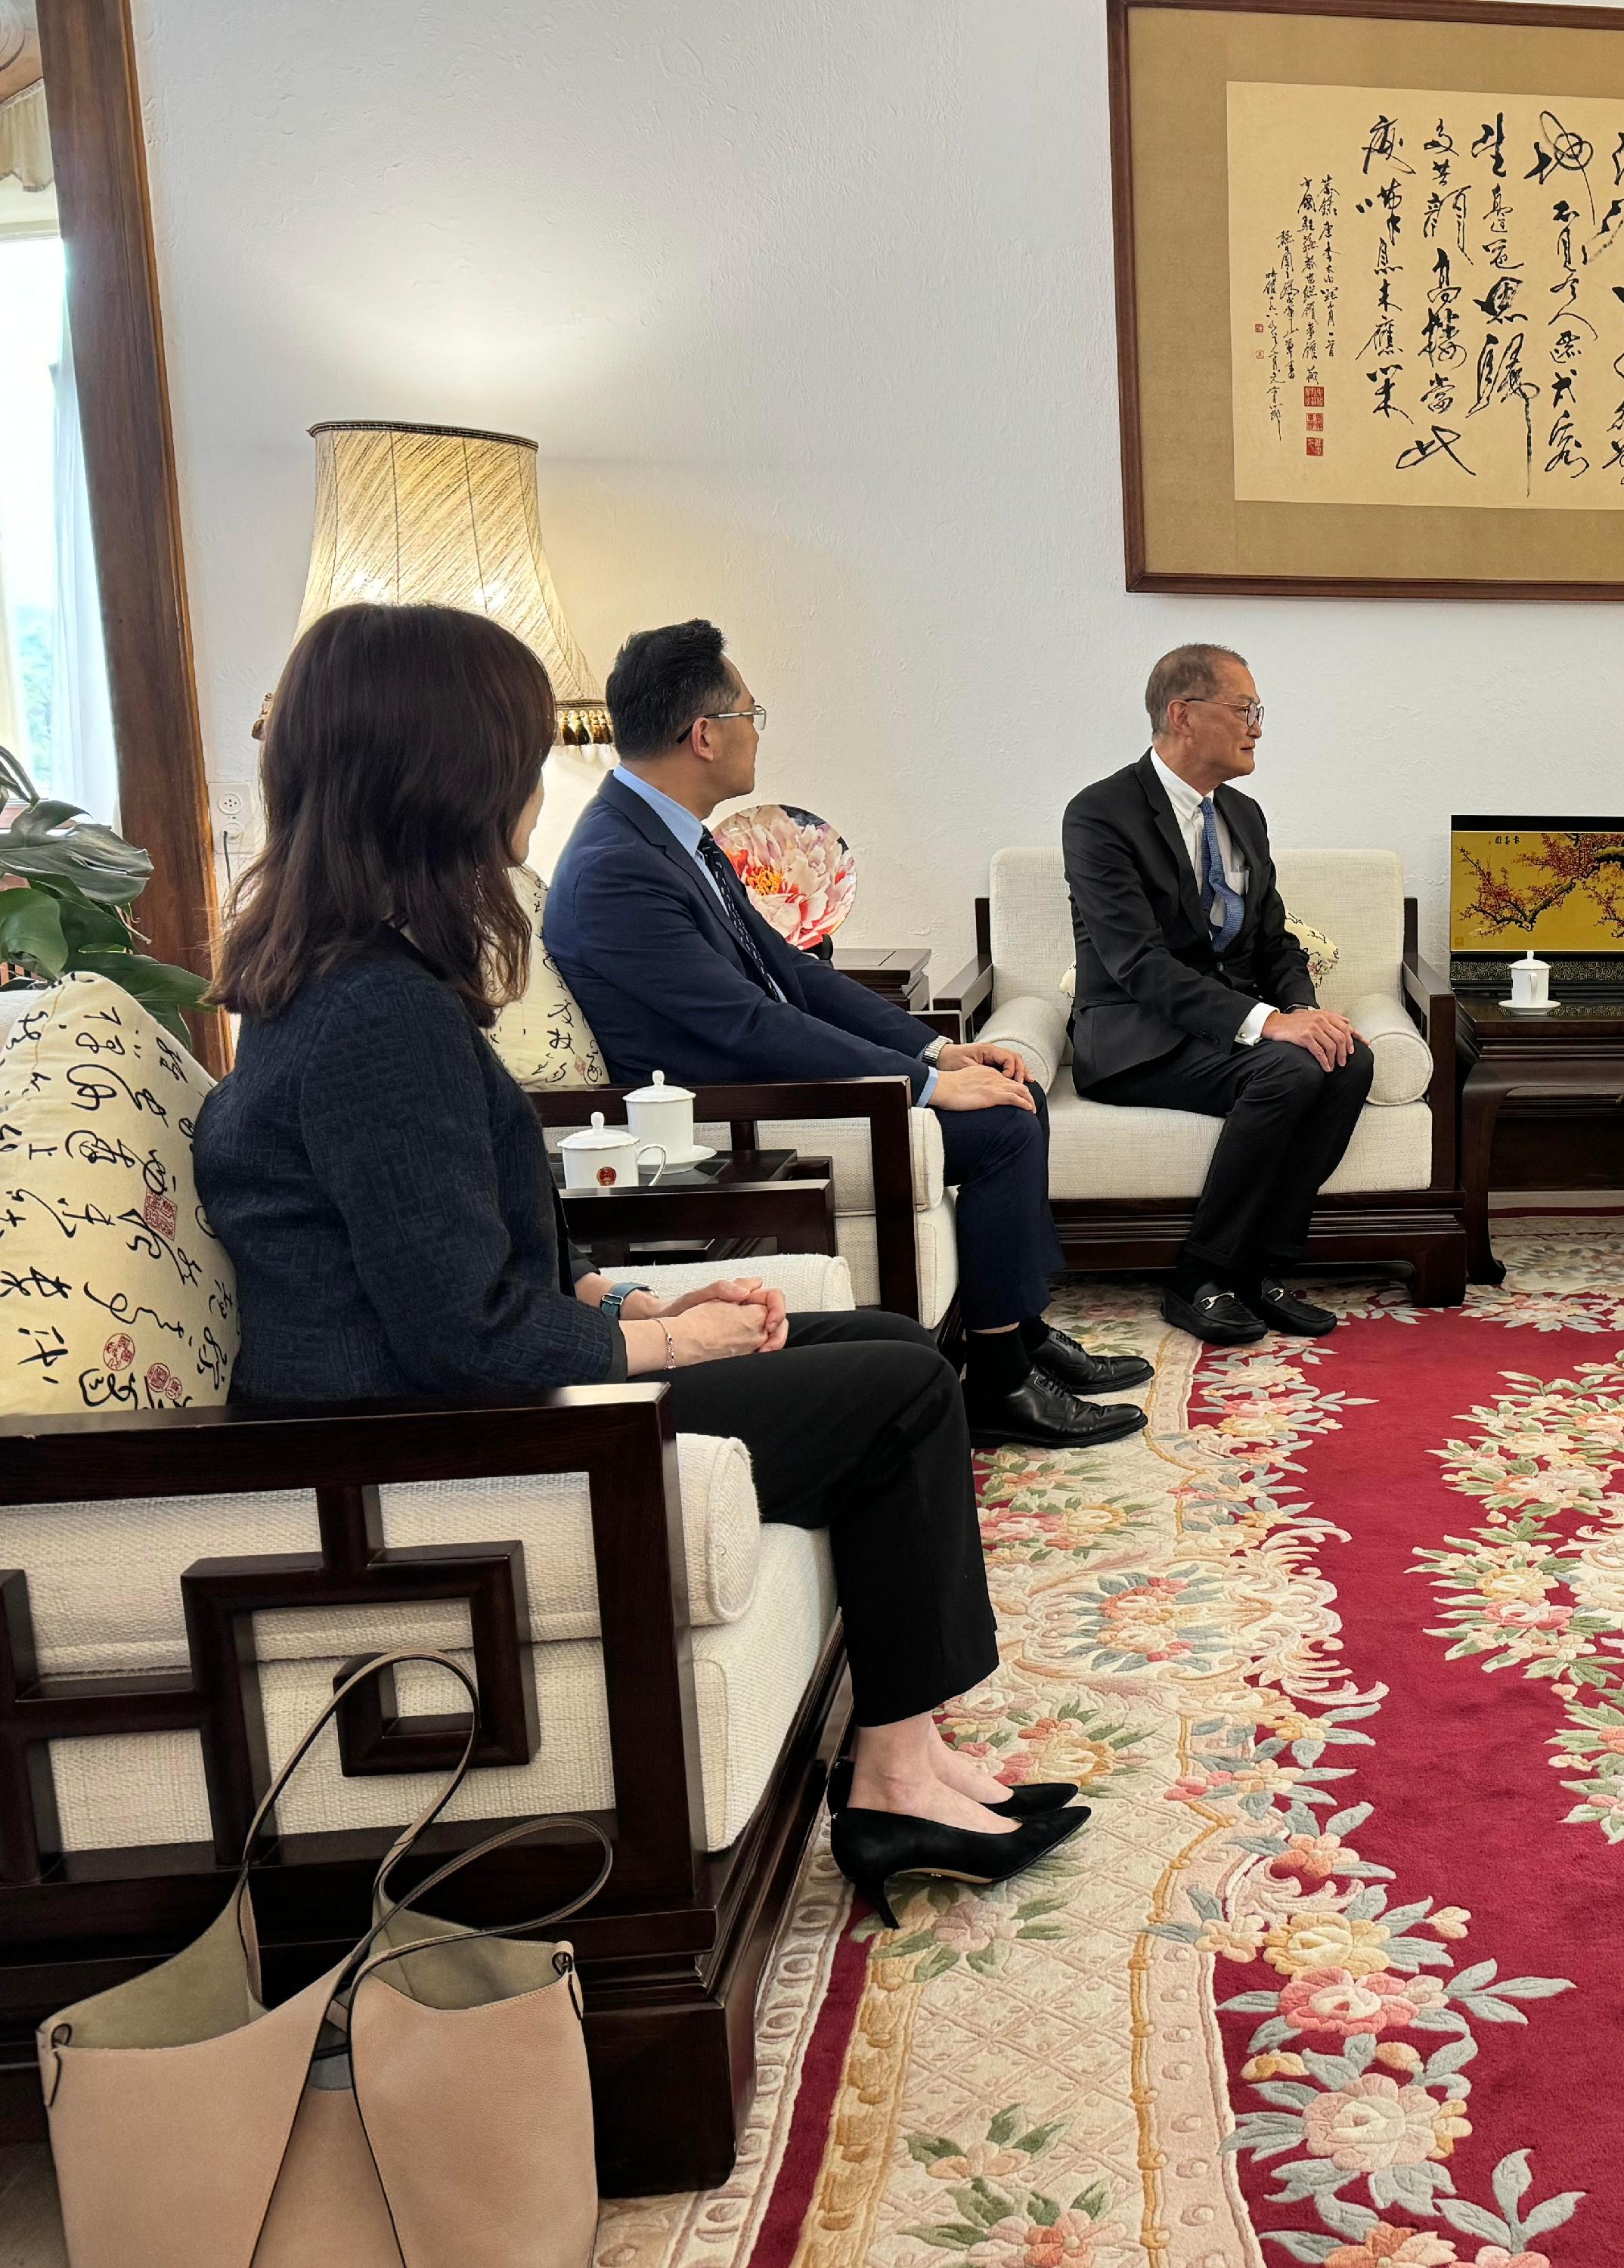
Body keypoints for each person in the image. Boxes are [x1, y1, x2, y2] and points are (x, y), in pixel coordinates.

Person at [195, 602, 1077, 1923]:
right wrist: (665, 1343)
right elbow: (460, 1337)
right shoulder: (375, 1014)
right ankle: (897, 1775)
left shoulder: (348, 974)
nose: (530, 784)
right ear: (443, 774)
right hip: (434, 1433)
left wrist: (636, 1296)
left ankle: (910, 1742)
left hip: (452, 1384)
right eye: (515, 752)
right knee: (893, 1396)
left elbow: (431, 1249)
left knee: (892, 1353)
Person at [545, 621, 1147, 1452]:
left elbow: (796, 976)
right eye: (752, 711)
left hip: (753, 1075)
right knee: (1003, 1126)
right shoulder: (620, 864)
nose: (759, 729)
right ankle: (1001, 1388)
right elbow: (744, 1024)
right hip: (718, 1115)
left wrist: (940, 1052)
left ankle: (1018, 1332)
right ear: (704, 733)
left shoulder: (668, 838)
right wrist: (924, 1088)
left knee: (1011, 1087)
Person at [1061, 644, 1374, 1346]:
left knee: (1348, 1056)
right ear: (1182, 714)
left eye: (1258, 712)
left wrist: (1300, 1011)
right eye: (1244, 709)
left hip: (1215, 1032)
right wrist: (1266, 1025)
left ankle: (1263, 1270)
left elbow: (1274, 942)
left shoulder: (1244, 814)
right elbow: (1137, 964)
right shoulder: (1100, 815)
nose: (1257, 726)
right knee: (1289, 1066)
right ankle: (1200, 1277)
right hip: (1134, 1038)